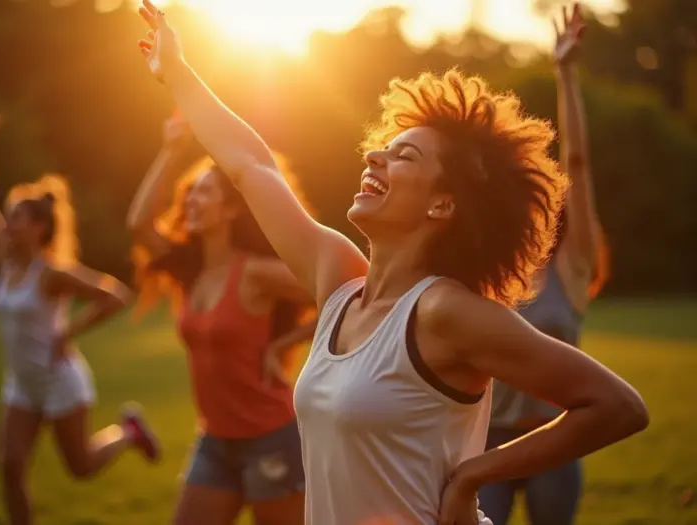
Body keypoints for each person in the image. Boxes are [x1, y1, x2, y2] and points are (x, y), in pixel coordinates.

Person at [135, 3, 649, 524]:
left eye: (405, 157)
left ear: (442, 204)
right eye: (385, 147)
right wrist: (179, 74)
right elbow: (252, 166)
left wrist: (475, 474)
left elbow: (616, 407)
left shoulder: (443, 312)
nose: (375, 156)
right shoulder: (339, 283)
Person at [0, 115, 160, 525]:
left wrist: (68, 332)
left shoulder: (51, 272)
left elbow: (115, 296)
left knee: (82, 467)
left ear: (38, 228)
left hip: (59, 380)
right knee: (10, 466)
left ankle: (129, 433)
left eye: (16, 218)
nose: (7, 224)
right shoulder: (6, 262)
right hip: (22, 382)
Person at [127, 112, 316, 525]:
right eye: (190, 192)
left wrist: (286, 344)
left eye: (205, 192)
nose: (192, 199)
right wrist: (171, 149)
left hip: (271, 438)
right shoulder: (190, 271)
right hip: (214, 439)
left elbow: (341, 294)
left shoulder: (256, 273)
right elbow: (140, 223)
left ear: (231, 209)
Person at [478, 5, 609, 525]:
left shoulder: (572, 271)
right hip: (488, 445)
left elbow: (577, 163)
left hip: (555, 439)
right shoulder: (488, 274)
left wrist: (566, 73)